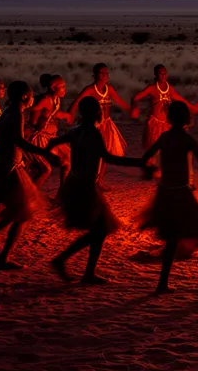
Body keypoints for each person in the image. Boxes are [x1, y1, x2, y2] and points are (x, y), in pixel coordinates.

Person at [140, 102, 198, 298]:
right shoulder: (186, 139)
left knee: (172, 239)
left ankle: (162, 284)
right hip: (181, 196)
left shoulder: (164, 137)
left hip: (165, 195)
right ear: (186, 119)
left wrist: (148, 170)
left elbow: (146, 157)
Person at [48, 97, 146, 284]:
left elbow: (53, 142)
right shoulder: (93, 133)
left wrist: (49, 155)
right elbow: (108, 157)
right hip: (85, 186)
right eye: (99, 109)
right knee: (100, 229)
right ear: (95, 113)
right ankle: (64, 261)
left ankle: (84, 271)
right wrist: (139, 162)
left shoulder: (75, 131)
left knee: (99, 230)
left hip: (75, 182)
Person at [0, 81, 59, 270]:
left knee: (18, 210)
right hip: (9, 166)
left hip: (6, 164)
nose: (34, 99)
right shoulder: (16, 114)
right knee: (23, 214)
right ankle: (2, 256)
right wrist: (44, 151)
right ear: (25, 97)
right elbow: (19, 141)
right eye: (32, 95)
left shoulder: (9, 111)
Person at [68, 63, 131, 189]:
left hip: (107, 125)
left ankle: (99, 180)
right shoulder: (90, 90)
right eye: (102, 73)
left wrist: (131, 110)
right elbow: (77, 102)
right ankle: (89, 179)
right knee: (94, 154)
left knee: (106, 152)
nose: (105, 76)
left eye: (106, 73)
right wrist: (70, 115)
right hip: (95, 126)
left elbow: (120, 101)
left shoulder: (110, 90)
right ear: (95, 75)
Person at [130, 64, 196, 182]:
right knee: (153, 150)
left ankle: (172, 174)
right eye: (161, 73)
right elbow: (136, 97)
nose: (163, 75)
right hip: (155, 123)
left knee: (170, 150)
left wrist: (191, 106)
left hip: (167, 123)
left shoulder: (169, 88)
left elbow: (178, 97)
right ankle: (150, 171)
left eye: (165, 73)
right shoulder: (152, 88)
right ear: (155, 75)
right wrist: (134, 106)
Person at [26, 74, 73, 187]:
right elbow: (30, 109)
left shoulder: (55, 99)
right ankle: (31, 196)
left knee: (68, 162)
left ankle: (60, 196)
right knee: (46, 169)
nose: (64, 90)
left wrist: (66, 115)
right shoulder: (45, 99)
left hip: (51, 136)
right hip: (41, 138)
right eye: (62, 87)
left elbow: (53, 113)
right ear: (53, 87)